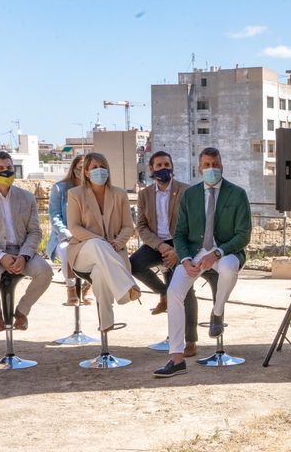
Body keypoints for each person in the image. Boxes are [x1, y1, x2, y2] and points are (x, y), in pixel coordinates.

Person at [153, 147, 250, 378]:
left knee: (228, 268)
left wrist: (216, 253)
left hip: (225, 252)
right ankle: (176, 358)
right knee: (175, 292)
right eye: (206, 165)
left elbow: (243, 235)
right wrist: (185, 260)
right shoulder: (190, 195)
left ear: (222, 166)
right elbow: (179, 233)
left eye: (215, 164)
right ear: (199, 168)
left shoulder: (237, 194)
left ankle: (217, 313)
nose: (211, 169)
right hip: (195, 253)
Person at [0, 151, 54, 332]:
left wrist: (24, 255)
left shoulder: (27, 197)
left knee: (45, 272)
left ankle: (22, 311)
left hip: (22, 250)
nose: (5, 172)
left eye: (9, 168)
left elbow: (35, 231)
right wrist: (1, 256)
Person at [130, 150, 199, 357]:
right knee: (134, 264)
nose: (163, 169)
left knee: (184, 289)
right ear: (151, 169)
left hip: (181, 245)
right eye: (159, 166)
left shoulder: (186, 191)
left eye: (166, 165)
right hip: (156, 244)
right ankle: (164, 293)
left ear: (172, 167)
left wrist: (177, 250)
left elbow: (195, 226)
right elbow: (141, 226)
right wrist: (161, 246)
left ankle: (191, 340)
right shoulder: (144, 194)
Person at [64, 153, 141, 333]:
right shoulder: (75, 194)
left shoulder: (119, 194)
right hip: (83, 251)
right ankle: (127, 287)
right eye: (94, 167)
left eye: (102, 166)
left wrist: (116, 243)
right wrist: (101, 240)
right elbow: (74, 227)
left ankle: (106, 323)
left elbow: (128, 227)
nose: (100, 170)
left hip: (113, 251)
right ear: (86, 173)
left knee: (99, 273)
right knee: (97, 245)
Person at [47, 155, 91, 306]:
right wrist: (68, 234)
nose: (82, 171)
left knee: (96, 249)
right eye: (80, 167)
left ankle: (88, 285)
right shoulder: (60, 188)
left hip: (87, 235)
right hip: (64, 236)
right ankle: (71, 288)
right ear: (73, 168)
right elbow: (54, 215)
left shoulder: (93, 190)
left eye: (86, 168)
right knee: (67, 251)